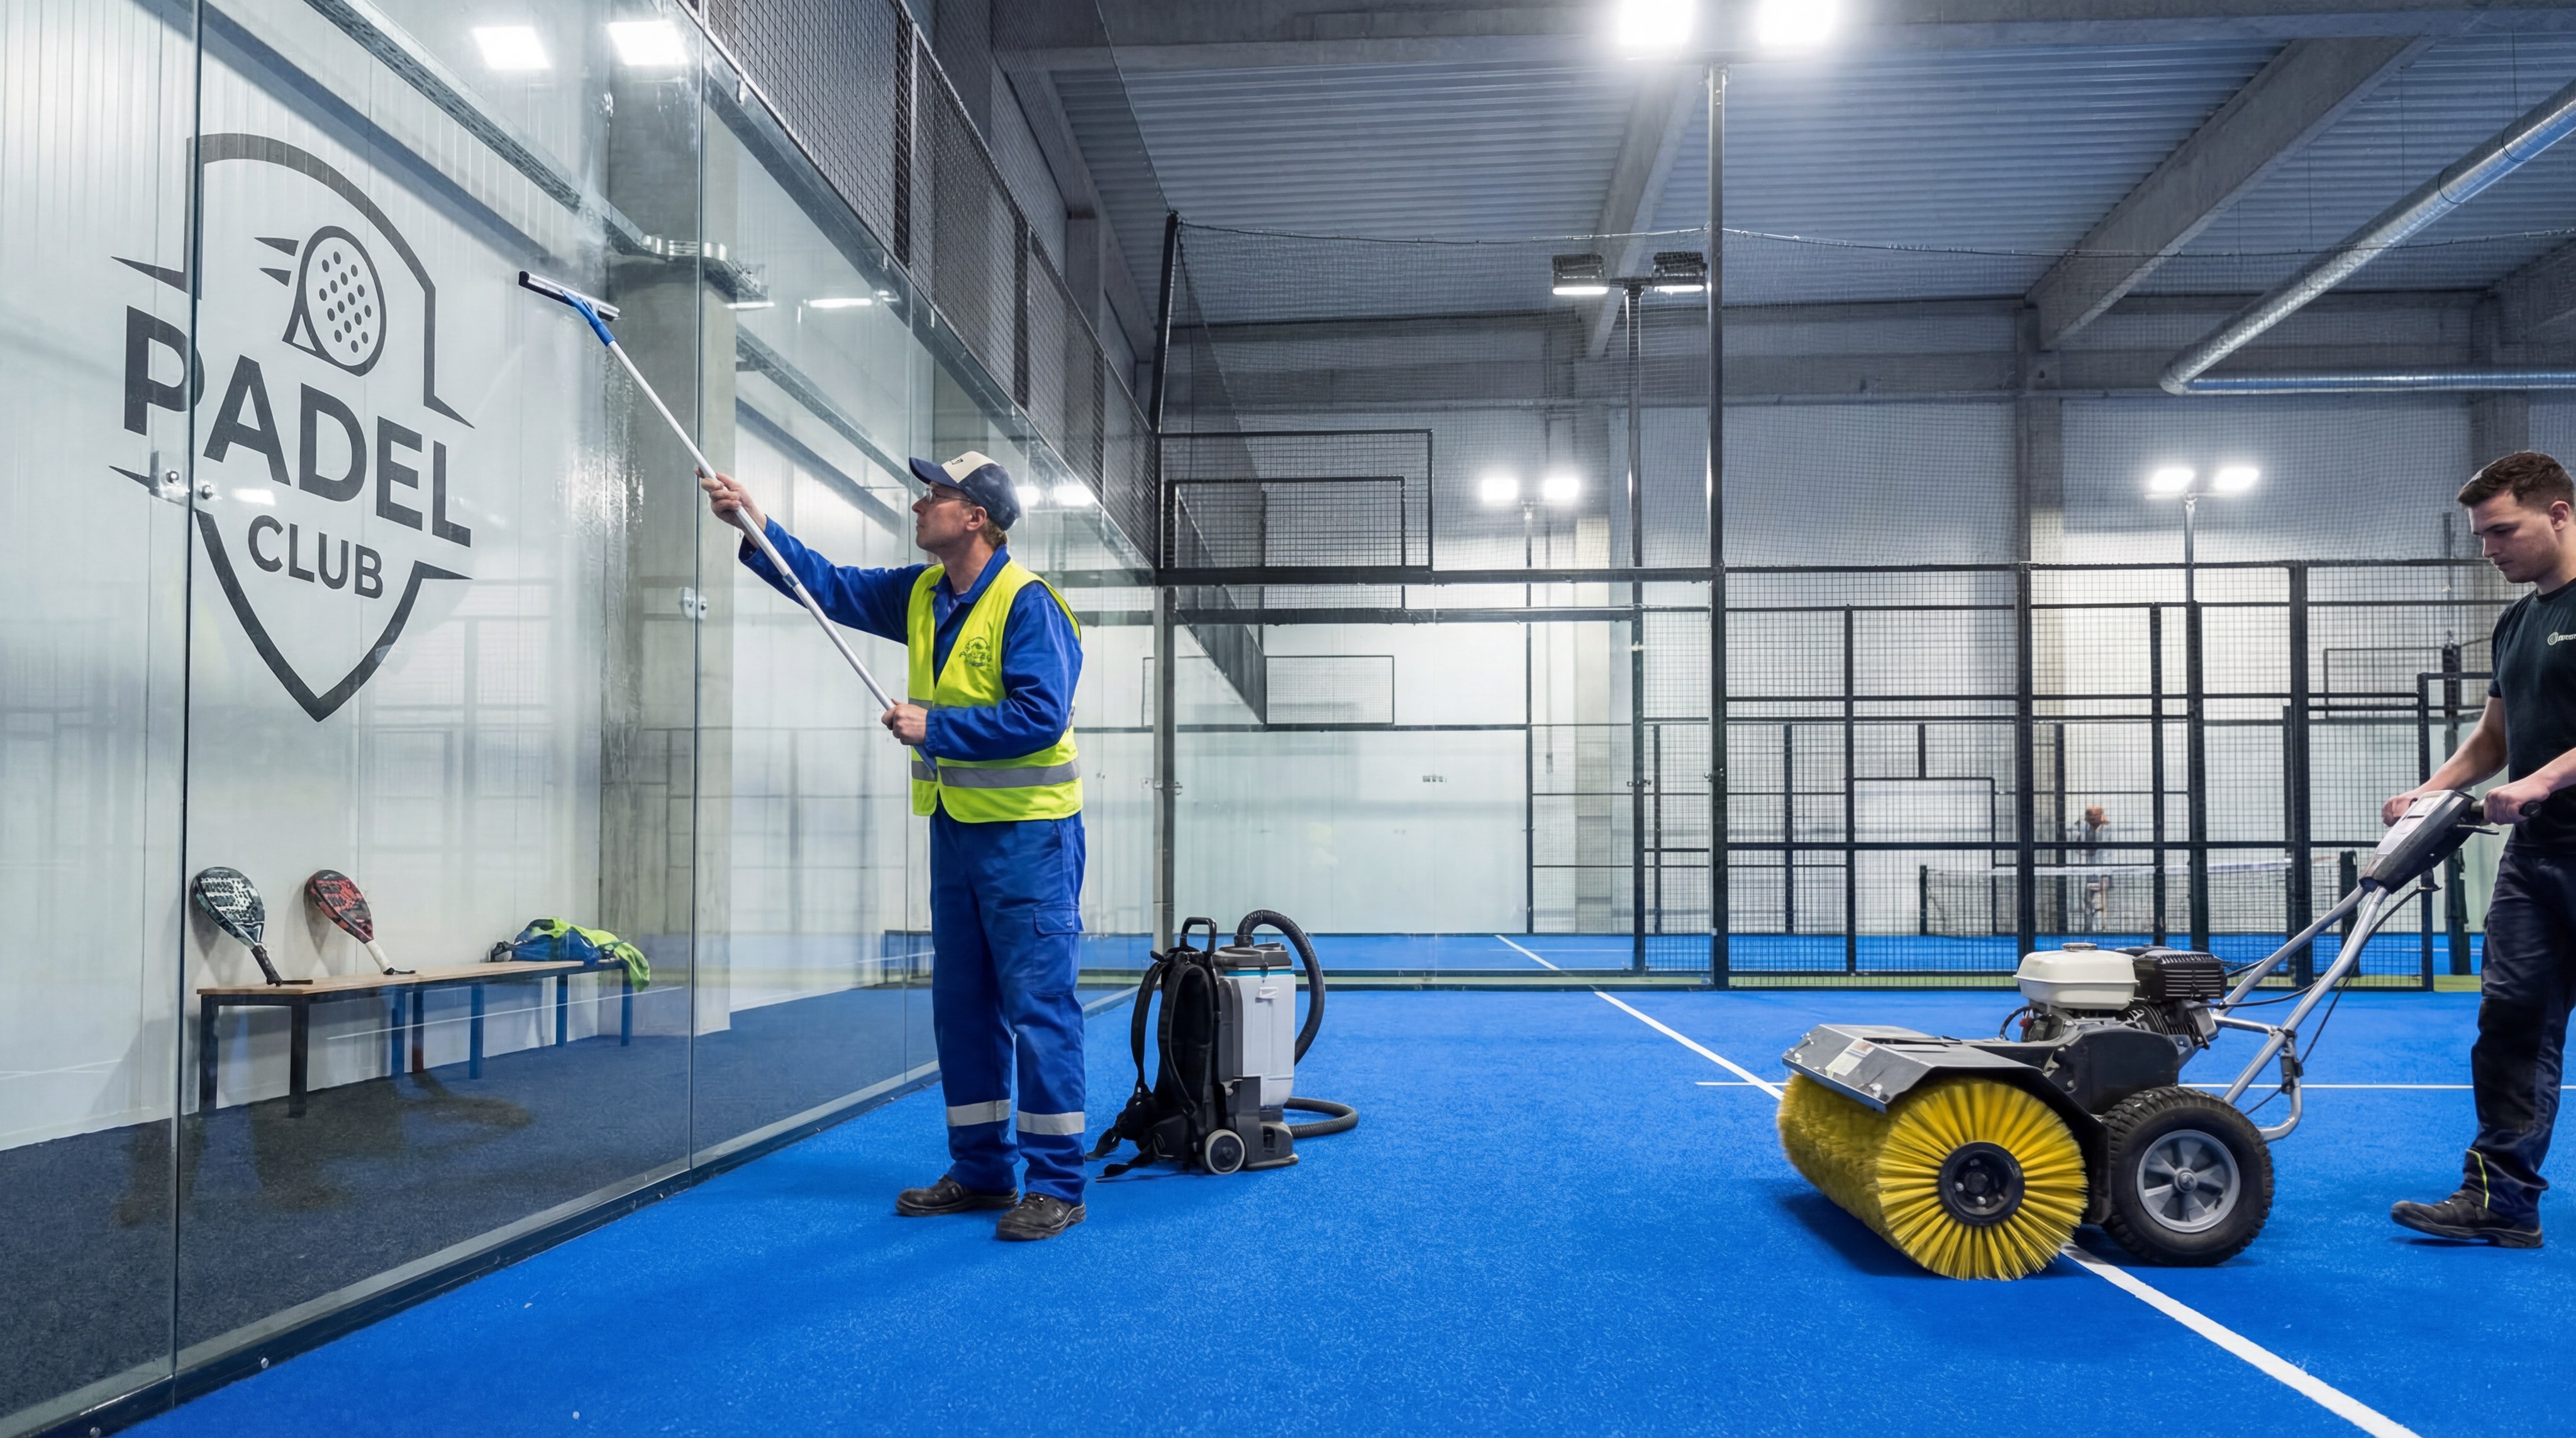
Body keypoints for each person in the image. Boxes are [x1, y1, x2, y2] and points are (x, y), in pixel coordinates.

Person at [701, 452, 1090, 1242]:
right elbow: (830, 586)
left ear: (975, 517)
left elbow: (1040, 717)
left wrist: (934, 726)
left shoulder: (1028, 604)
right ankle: (984, 1171)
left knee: (1038, 1007)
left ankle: (1055, 1183)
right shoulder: (922, 593)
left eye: (935, 496)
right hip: (957, 832)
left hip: (1030, 841)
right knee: (962, 1007)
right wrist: (757, 525)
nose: (919, 505)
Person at [2384, 450, 2576, 1249]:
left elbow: (2528, 767)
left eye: (2503, 532)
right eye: (2481, 537)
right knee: (2510, 1022)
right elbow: (2494, 739)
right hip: (2536, 862)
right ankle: (2501, 1201)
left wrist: (2541, 783)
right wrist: (2428, 793)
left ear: (2559, 515)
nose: (2489, 549)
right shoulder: (2516, 619)